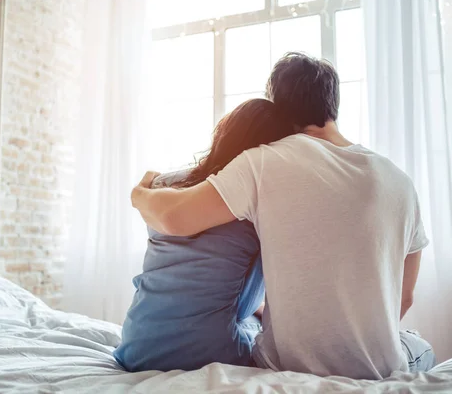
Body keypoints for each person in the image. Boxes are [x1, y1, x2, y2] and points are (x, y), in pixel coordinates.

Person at [130, 53, 436, 379]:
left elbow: (174, 218)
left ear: (278, 105)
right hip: (380, 367)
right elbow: (404, 298)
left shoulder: (263, 162)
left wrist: (141, 193)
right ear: (334, 104)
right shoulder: (399, 180)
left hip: (287, 364)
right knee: (421, 348)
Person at [114, 98, 294, 372]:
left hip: (136, 346)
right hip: (211, 352)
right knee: (255, 322)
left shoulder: (165, 184)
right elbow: (250, 302)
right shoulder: (256, 201)